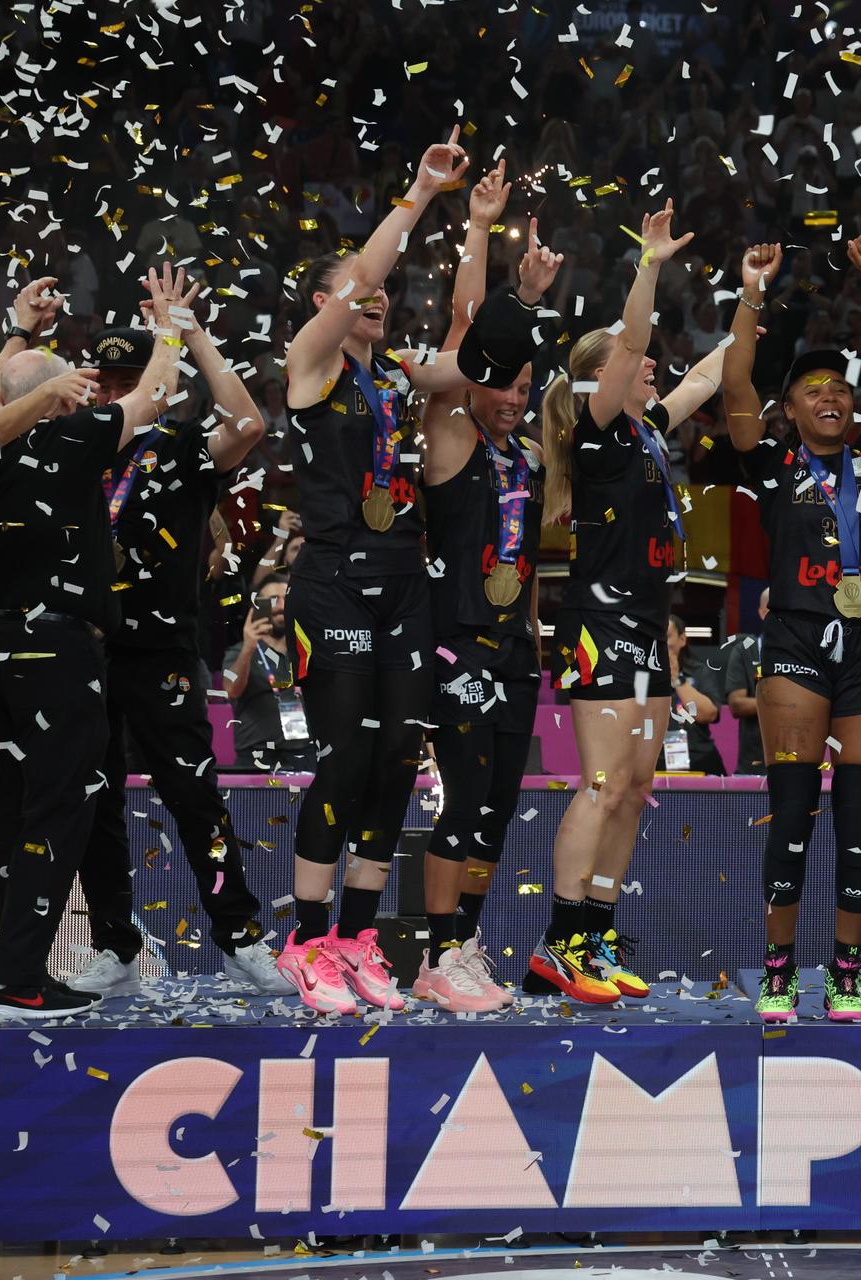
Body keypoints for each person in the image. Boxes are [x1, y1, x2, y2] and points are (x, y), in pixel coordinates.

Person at [277, 129, 479, 1017]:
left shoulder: (396, 378)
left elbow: (472, 361)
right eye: (360, 295)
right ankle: (307, 942)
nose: (380, 302)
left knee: (397, 757)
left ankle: (358, 939)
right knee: (345, 753)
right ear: (324, 303)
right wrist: (419, 196)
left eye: (389, 297)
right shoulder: (310, 367)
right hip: (333, 580)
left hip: (405, 579)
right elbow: (363, 273)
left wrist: (477, 232)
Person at [67, 276, 286, 1000]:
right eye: (102, 383)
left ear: (157, 386)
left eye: (127, 382)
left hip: (161, 651)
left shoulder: (183, 447)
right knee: (92, 801)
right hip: (83, 648)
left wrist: (188, 332)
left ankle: (239, 936)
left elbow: (250, 425)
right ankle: (113, 944)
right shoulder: (76, 451)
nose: (110, 396)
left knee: (194, 796)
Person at [0, 267, 186, 1019]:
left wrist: (20, 333)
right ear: (61, 396)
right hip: (58, 650)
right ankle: (17, 980)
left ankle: (10, 967)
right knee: (59, 809)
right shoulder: (69, 438)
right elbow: (153, 396)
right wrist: (169, 328)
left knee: (15, 807)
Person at [536, 200, 727, 1004]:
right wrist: (650, 261)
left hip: (647, 626)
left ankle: (597, 939)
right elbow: (638, 341)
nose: (649, 365)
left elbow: (713, 371)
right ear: (599, 377)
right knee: (604, 784)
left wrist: (752, 298)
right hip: (598, 619)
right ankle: (558, 944)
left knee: (640, 786)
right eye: (629, 360)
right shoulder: (597, 428)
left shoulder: (648, 434)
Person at [723, 233, 861, 1024]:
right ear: (789, 410)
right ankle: (777, 971)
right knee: (793, 813)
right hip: (797, 647)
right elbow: (734, 384)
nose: (830, 396)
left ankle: (844, 973)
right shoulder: (771, 466)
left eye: (840, 387)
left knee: (859, 815)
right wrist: (753, 294)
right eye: (812, 389)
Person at [412, 184, 563, 1013]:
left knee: (497, 811)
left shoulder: (533, 458)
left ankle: (464, 943)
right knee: (463, 802)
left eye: (523, 386)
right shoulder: (451, 430)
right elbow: (467, 336)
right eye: (498, 383)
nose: (510, 395)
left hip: (515, 649)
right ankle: (437, 954)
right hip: (456, 645)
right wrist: (480, 235)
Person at [224, 574, 316, 772]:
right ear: (256, 608)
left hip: (304, 756)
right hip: (256, 758)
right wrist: (249, 647)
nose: (281, 606)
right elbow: (231, 690)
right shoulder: (239, 652)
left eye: (287, 599)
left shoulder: (307, 651)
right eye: (273, 600)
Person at [663, 615, 726, 775]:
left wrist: (677, 678)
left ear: (682, 639)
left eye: (667, 636)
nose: (661, 642)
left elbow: (709, 714)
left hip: (699, 757)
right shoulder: (642, 676)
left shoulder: (700, 671)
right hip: (655, 761)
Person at [721, 588, 769, 775]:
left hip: (794, 760)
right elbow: (737, 704)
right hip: (753, 764)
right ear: (762, 612)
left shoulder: (801, 652)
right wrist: (784, 704)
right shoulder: (744, 651)